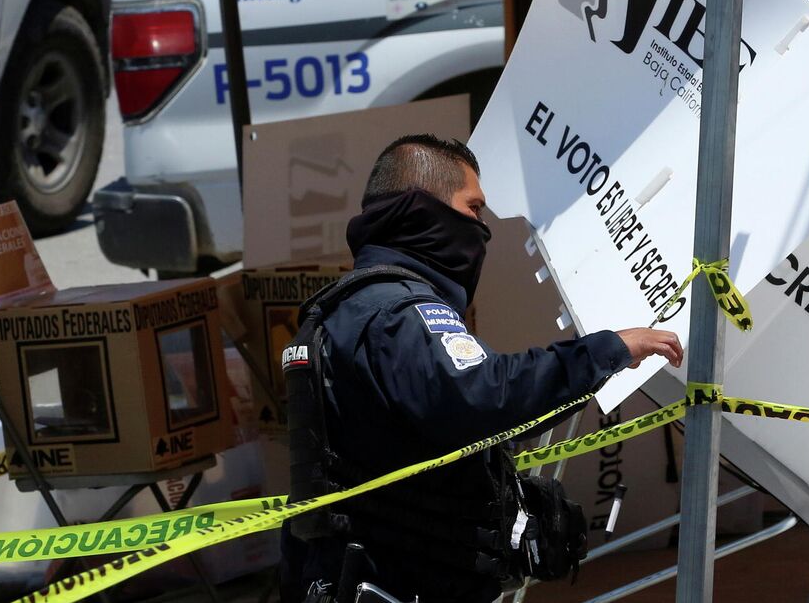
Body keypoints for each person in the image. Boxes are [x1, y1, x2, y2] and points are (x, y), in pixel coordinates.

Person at [280, 134, 683, 603]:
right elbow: (482, 396)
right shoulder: (399, 314)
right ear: (421, 207)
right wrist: (606, 352)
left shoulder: (341, 311)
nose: (481, 229)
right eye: (473, 208)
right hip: (399, 582)